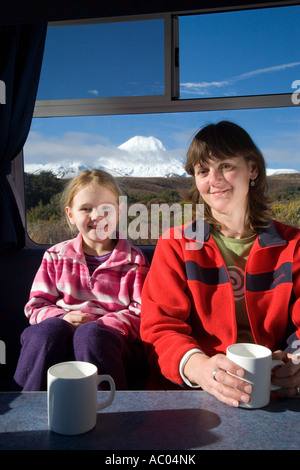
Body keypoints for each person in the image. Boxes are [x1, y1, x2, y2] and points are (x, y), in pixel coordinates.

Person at [140, 121, 300, 407]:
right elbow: (160, 328)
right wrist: (199, 368)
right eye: (203, 171)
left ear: (253, 169)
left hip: (272, 392)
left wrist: (297, 363)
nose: (213, 179)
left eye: (225, 166)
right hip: (194, 395)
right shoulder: (177, 245)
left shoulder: (293, 246)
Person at [13, 169, 149, 391]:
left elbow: (141, 312)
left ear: (120, 212)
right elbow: (36, 306)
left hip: (110, 343)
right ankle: (26, 403)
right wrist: (63, 318)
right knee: (46, 332)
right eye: (86, 208)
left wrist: (101, 325)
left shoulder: (133, 261)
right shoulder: (55, 256)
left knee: (91, 335)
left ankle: (111, 411)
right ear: (71, 214)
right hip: (59, 337)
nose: (96, 216)